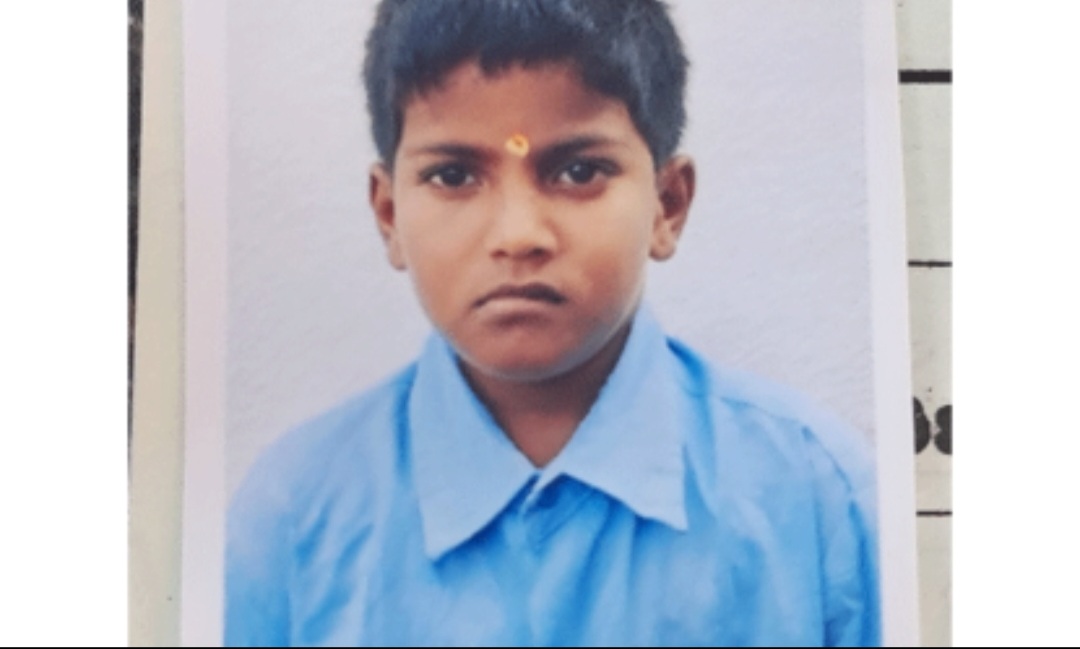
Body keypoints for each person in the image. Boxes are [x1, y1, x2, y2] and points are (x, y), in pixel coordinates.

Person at [226, 0, 880, 645]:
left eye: (578, 171)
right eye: (453, 175)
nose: (518, 235)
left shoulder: (819, 498)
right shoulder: (291, 520)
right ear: (389, 214)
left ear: (667, 204)